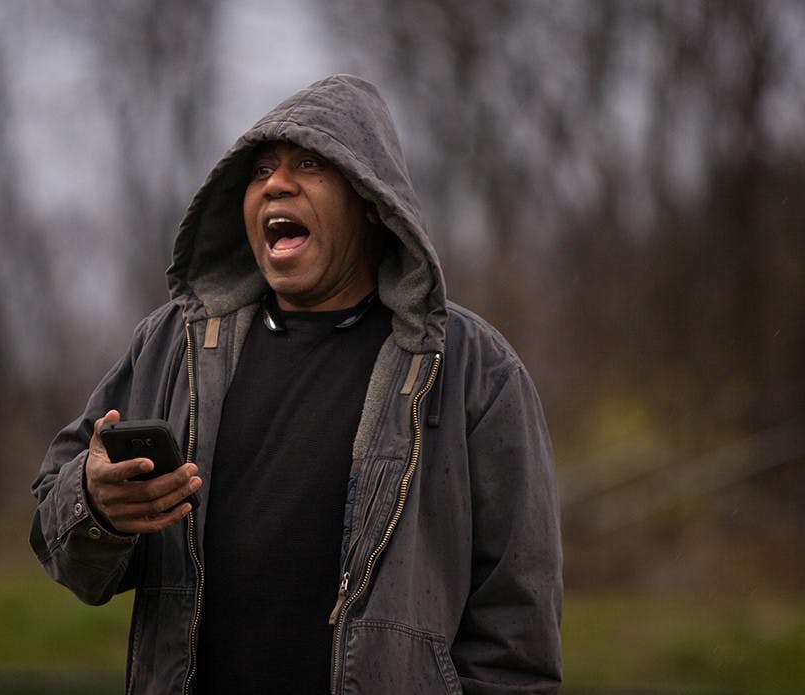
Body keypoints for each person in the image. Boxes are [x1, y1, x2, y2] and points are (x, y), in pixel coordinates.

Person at [30, 74, 562, 694]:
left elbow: (516, 633)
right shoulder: (172, 344)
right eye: (260, 171)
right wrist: (96, 507)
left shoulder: (474, 369)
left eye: (309, 164)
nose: (277, 183)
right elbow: (56, 529)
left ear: (370, 199)